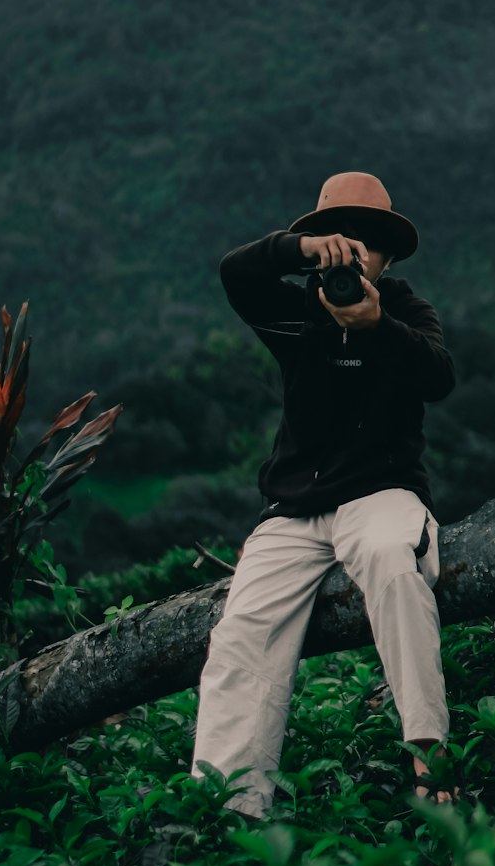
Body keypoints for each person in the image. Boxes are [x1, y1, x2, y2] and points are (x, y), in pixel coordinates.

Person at [190, 171, 457, 817]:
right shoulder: (294, 309)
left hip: (382, 492)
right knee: (241, 631)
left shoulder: (404, 309)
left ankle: (430, 750)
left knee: (396, 565)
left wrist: (374, 327)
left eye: (368, 243)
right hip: (294, 505)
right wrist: (300, 250)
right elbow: (234, 273)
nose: (354, 252)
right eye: (343, 239)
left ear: (386, 258)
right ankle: (226, 810)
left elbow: (438, 376)